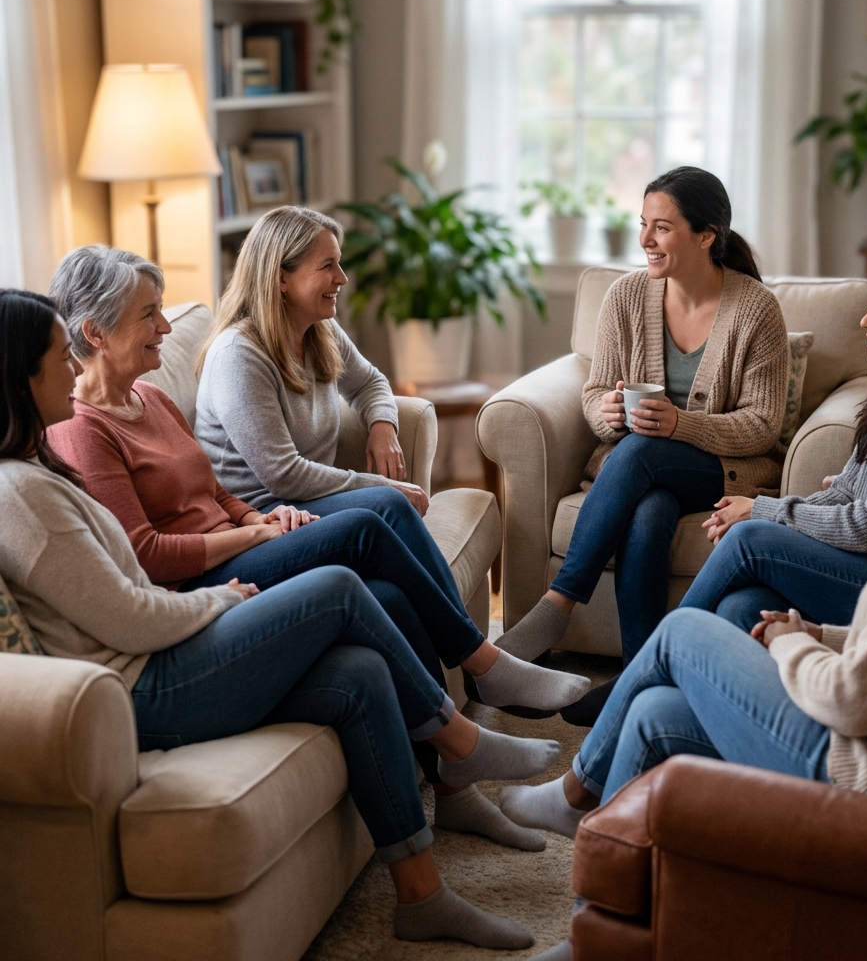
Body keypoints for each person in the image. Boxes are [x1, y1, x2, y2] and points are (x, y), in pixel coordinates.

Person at [0, 288, 567, 949]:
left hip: (162, 647)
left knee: (357, 671)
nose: (71, 368)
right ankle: (462, 740)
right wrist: (223, 598)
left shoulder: (40, 464)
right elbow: (130, 617)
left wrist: (242, 542)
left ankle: (422, 895)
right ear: (16, 375)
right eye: (55, 355)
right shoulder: (20, 495)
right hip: (141, 688)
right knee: (335, 585)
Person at [504, 311, 867, 961]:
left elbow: (855, 698)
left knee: (684, 633)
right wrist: (811, 630)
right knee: (655, 713)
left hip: (863, 773)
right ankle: (596, 936)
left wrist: (788, 646)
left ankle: (575, 789)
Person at [498, 166, 791, 725]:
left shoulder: (756, 309)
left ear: (706, 236)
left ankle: (556, 607)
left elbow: (761, 426)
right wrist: (604, 411)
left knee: (640, 452)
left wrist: (681, 425)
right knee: (649, 512)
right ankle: (638, 680)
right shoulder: (627, 296)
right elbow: (591, 391)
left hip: (722, 468)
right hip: (648, 470)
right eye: (643, 225)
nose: (645, 241)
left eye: (661, 228)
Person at [680, 247, 867, 633]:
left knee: (748, 539)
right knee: (742, 607)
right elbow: (844, 493)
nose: (865, 321)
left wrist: (762, 511)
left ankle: (641, 675)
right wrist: (774, 511)